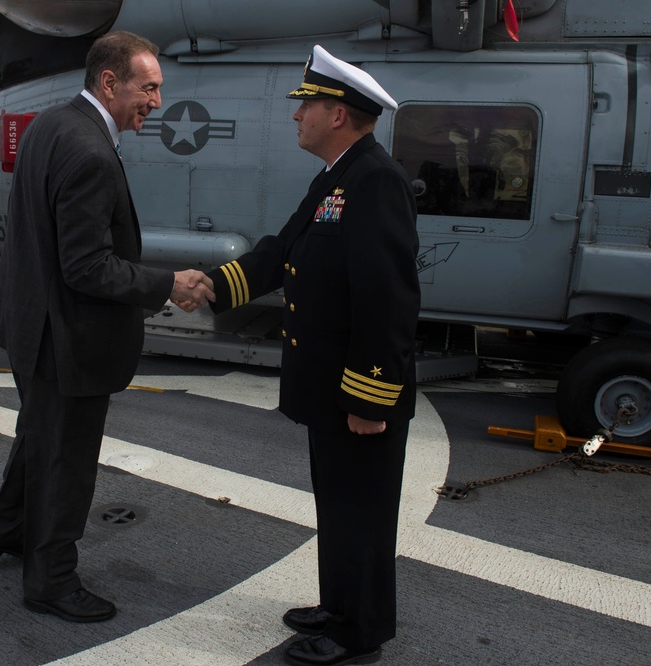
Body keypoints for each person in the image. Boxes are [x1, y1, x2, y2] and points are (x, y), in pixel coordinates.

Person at [0, 31, 214, 624]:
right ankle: (51, 580)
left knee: (40, 436)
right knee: (65, 459)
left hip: (31, 323)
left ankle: (5, 529)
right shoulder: (90, 152)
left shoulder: (51, 125)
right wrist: (167, 285)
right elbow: (86, 267)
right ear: (111, 82)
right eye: (148, 87)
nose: (156, 101)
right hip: (66, 337)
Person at [204, 45, 420, 665]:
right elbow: (282, 251)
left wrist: (370, 399)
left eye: (308, 107)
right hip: (330, 388)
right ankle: (338, 604)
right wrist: (213, 285)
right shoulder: (338, 178)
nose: (296, 118)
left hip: (357, 390)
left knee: (364, 512)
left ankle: (360, 634)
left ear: (339, 114)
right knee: (339, 503)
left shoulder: (375, 181)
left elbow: (386, 299)